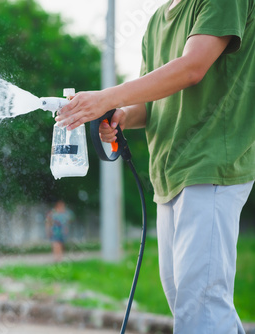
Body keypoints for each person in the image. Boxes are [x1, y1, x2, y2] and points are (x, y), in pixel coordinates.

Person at [55, 0, 255, 333]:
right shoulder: (158, 21)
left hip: (211, 165)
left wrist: (107, 97)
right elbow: (149, 104)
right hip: (169, 173)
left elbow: (192, 68)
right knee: (190, 302)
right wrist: (121, 115)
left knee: (200, 307)